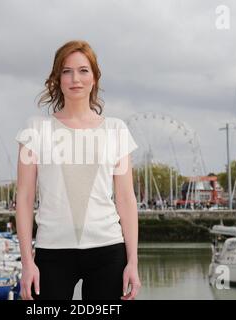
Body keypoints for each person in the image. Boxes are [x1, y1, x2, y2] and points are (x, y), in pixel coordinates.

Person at [15, 40, 141, 300]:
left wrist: (133, 262)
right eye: (67, 71)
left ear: (94, 78)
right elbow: (25, 198)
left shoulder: (116, 130)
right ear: (57, 78)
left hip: (108, 250)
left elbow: (126, 199)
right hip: (51, 252)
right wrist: (27, 263)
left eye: (83, 70)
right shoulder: (35, 129)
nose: (75, 78)